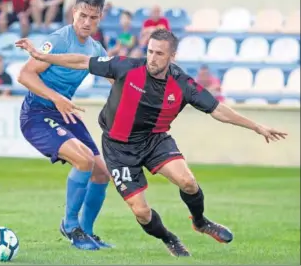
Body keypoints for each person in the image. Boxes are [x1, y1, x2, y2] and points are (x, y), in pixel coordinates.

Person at [15, 28, 288, 257]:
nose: (152, 58)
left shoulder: (182, 83)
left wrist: (256, 126)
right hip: (118, 148)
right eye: (150, 51)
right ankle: (168, 238)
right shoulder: (126, 66)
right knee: (142, 212)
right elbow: (81, 61)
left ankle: (201, 222)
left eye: (159, 53)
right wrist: (43, 55)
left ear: (172, 56)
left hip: (155, 141)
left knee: (189, 182)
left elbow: (217, 109)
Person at [17, 0, 112, 251]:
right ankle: (70, 226)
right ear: (74, 13)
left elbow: (117, 81)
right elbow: (24, 75)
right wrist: (56, 98)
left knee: (103, 172)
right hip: (37, 113)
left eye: (93, 17)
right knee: (84, 160)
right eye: (82, 15)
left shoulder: (96, 49)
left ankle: (88, 232)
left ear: (99, 18)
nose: (86, 22)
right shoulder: (59, 39)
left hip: (64, 112)